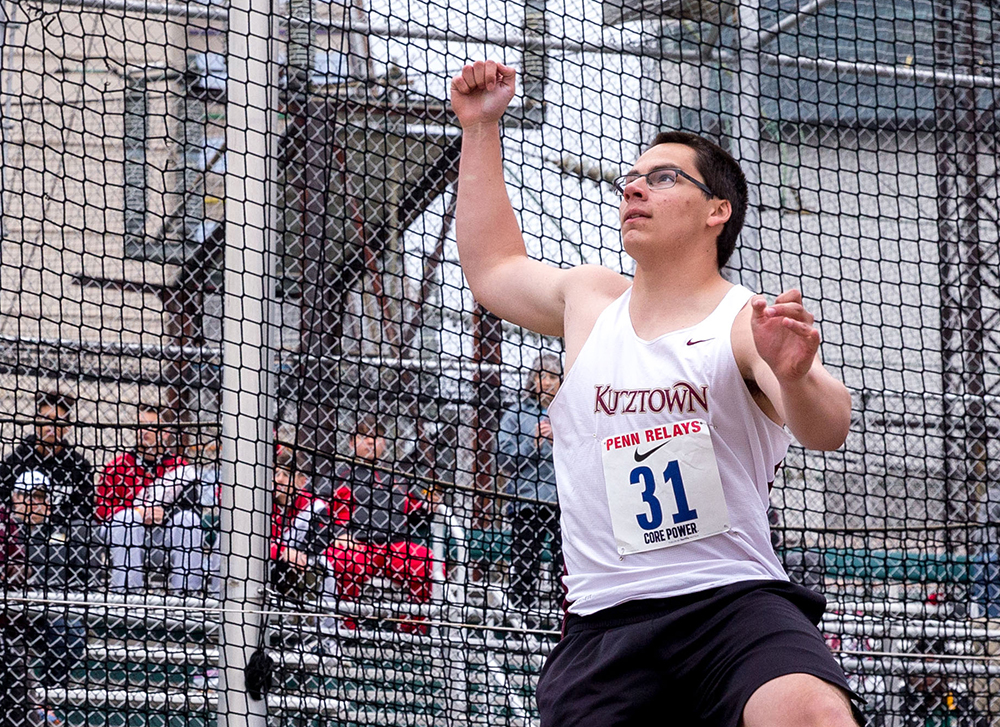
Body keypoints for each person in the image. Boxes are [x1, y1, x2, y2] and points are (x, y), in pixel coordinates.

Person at [450, 61, 860, 726]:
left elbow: (829, 425)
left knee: (811, 711)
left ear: (718, 211)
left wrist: (793, 374)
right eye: (632, 178)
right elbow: (493, 267)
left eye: (664, 178)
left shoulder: (743, 321)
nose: (635, 187)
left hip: (731, 605)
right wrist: (479, 127)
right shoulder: (590, 300)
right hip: (605, 619)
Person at [324, 417, 435, 619]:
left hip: (396, 547)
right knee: (340, 560)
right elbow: (319, 509)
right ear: (351, 443)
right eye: (363, 436)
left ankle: (410, 630)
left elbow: (417, 511)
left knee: (429, 565)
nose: (370, 441)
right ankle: (345, 629)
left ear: (384, 443)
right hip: (357, 545)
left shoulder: (398, 475)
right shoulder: (340, 474)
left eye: (376, 437)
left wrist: (430, 505)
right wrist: (339, 533)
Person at [95, 404, 207, 594]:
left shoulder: (181, 468)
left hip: (164, 536)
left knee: (188, 520)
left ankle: (187, 596)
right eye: (140, 425)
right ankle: (127, 596)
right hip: (124, 535)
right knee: (127, 518)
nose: (143, 431)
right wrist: (138, 513)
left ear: (165, 433)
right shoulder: (116, 466)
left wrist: (165, 514)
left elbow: (194, 509)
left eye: (151, 426)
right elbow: (101, 511)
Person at [498, 353, 562, 619]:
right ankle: (520, 623)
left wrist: (560, 439)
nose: (546, 382)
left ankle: (565, 623)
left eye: (552, 376)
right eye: (540, 375)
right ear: (532, 380)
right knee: (525, 567)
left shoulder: (569, 408)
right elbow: (503, 459)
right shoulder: (517, 413)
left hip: (563, 503)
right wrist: (531, 444)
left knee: (565, 568)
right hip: (527, 501)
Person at [0, 390, 94, 526]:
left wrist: (48, 516)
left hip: (61, 531)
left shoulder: (78, 465)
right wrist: (19, 513)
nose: (51, 426)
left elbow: (84, 509)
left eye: (58, 420)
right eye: (46, 418)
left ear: (68, 426)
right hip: (18, 529)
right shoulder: (14, 461)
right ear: (36, 421)